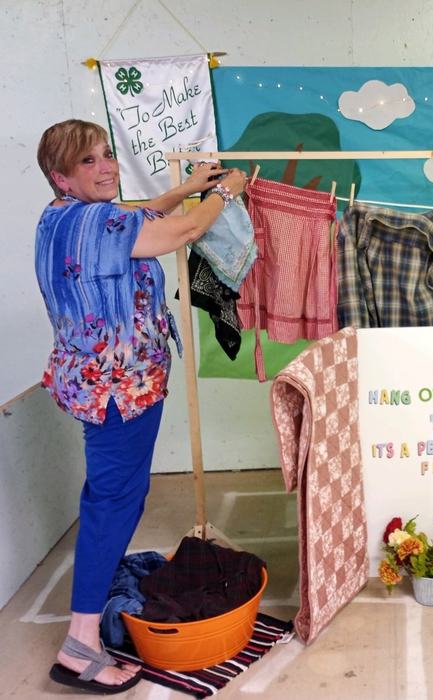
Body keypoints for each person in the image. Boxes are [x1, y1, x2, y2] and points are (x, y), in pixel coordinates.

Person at [35, 119, 247, 692]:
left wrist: (188, 185)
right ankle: (80, 644)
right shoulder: (94, 220)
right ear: (61, 176)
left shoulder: (62, 217)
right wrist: (226, 191)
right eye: (88, 162)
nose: (106, 167)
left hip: (104, 384)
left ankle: (88, 614)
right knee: (114, 502)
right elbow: (180, 233)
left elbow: (145, 213)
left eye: (107, 155)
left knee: (115, 495)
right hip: (117, 391)